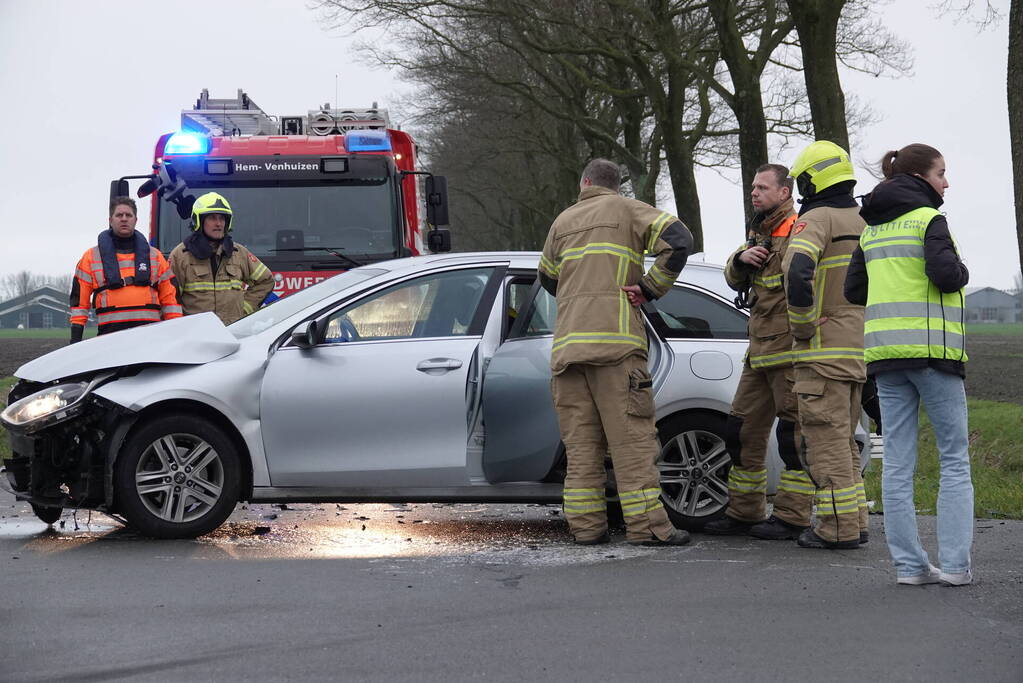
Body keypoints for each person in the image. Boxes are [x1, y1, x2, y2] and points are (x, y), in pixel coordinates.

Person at [539, 158, 694, 546]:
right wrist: (649, 287)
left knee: (581, 451)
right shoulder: (627, 210)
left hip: (568, 354)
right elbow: (679, 240)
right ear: (615, 185)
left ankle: (587, 529)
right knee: (632, 446)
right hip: (617, 348)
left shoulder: (561, 222)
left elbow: (546, 276)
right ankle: (649, 529)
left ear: (585, 182)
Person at [845, 143, 973, 586]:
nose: (946, 182)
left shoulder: (871, 229)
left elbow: (854, 292)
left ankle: (909, 567)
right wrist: (962, 269)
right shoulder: (930, 220)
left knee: (898, 463)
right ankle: (956, 566)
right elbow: (946, 275)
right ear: (921, 178)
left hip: (885, 359)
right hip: (934, 356)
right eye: (942, 172)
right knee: (954, 459)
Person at [704, 164, 815, 540]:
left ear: (785, 192)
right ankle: (744, 512)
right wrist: (741, 260)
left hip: (788, 354)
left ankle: (793, 516)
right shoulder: (758, 231)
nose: (754, 192)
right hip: (758, 354)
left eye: (763, 187)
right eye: (753, 187)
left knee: (792, 437)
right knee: (740, 432)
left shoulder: (798, 228)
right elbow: (732, 277)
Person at [781, 140, 869, 550]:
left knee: (825, 442)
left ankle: (836, 528)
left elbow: (798, 271)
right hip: (859, 349)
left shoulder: (816, 219)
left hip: (822, 351)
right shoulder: (865, 219)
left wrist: (801, 329)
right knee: (846, 441)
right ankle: (857, 520)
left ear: (812, 179)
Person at [69, 197, 182, 342]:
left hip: (151, 340)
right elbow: (79, 303)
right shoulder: (90, 257)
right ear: (110, 220)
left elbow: (171, 301)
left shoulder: (155, 256)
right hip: (109, 340)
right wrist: (75, 339)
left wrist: (176, 335)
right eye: (119, 215)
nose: (124, 219)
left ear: (135, 220)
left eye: (128, 215)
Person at [169, 192, 274, 325]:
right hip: (196, 335)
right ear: (199, 221)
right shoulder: (181, 255)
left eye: (222, 218)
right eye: (212, 218)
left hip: (232, 332)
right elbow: (170, 298)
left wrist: (243, 310)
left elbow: (266, 281)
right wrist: (180, 326)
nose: (218, 223)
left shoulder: (238, 253)